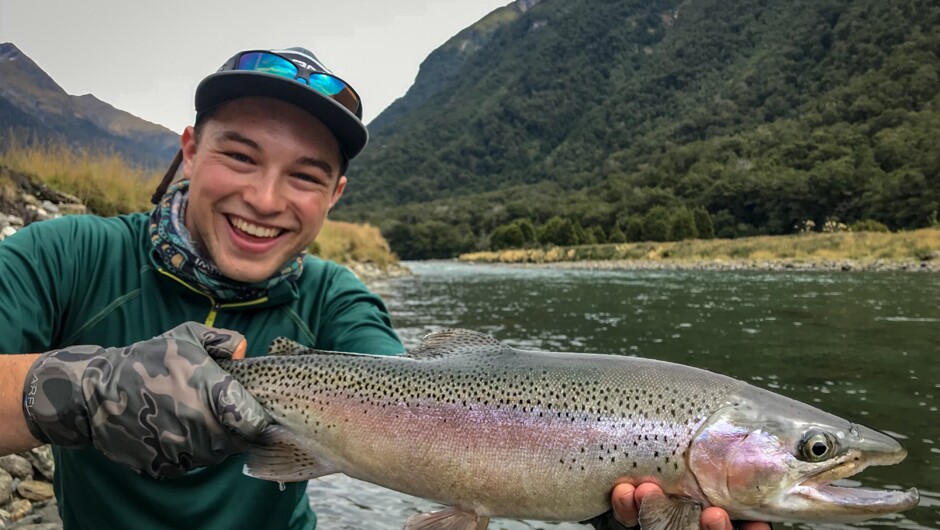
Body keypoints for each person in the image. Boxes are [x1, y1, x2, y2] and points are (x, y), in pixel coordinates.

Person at [0, 46, 768, 530]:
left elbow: (421, 406)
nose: (267, 200)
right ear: (192, 150)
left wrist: (584, 490)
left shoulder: (337, 300)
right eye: (240, 157)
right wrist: (82, 389)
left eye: (305, 176)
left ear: (334, 195)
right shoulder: (65, 255)